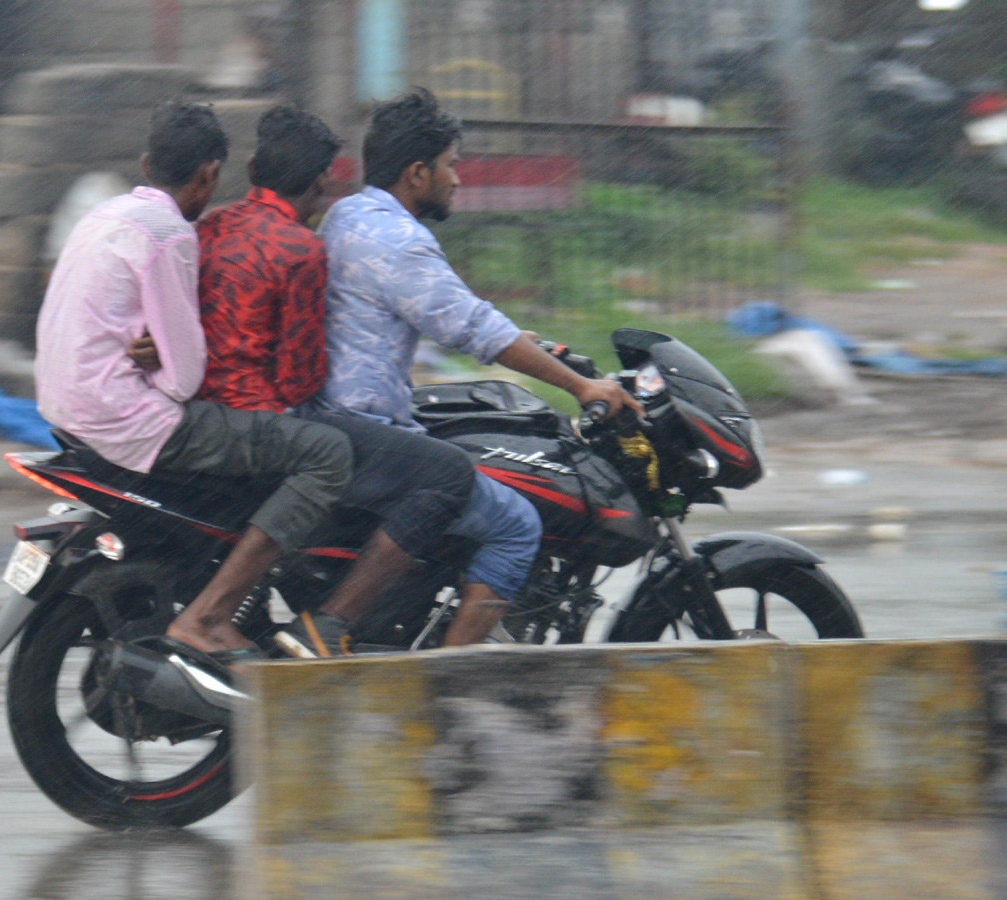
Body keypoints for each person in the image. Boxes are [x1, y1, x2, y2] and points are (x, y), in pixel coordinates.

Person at [143, 104, 477, 658]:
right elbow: (299, 377)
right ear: (323, 181)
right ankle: (326, 623)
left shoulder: (214, 224)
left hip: (198, 404)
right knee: (425, 469)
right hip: (258, 419)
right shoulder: (300, 251)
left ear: (252, 168)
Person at [312, 87, 644, 644]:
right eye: (450, 166)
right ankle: (450, 685)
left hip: (335, 416)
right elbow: (472, 326)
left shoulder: (348, 215)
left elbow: (432, 314)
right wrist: (583, 385)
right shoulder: (400, 240)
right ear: (417, 173)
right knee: (516, 524)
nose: (457, 179)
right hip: (365, 428)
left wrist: (519, 341)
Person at [34, 97, 355, 665]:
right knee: (327, 453)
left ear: (146, 163)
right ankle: (209, 616)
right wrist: (167, 353)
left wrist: (154, 346)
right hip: (131, 422)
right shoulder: (171, 234)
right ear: (209, 175)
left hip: (65, 409)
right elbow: (184, 378)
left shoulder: (103, 216)